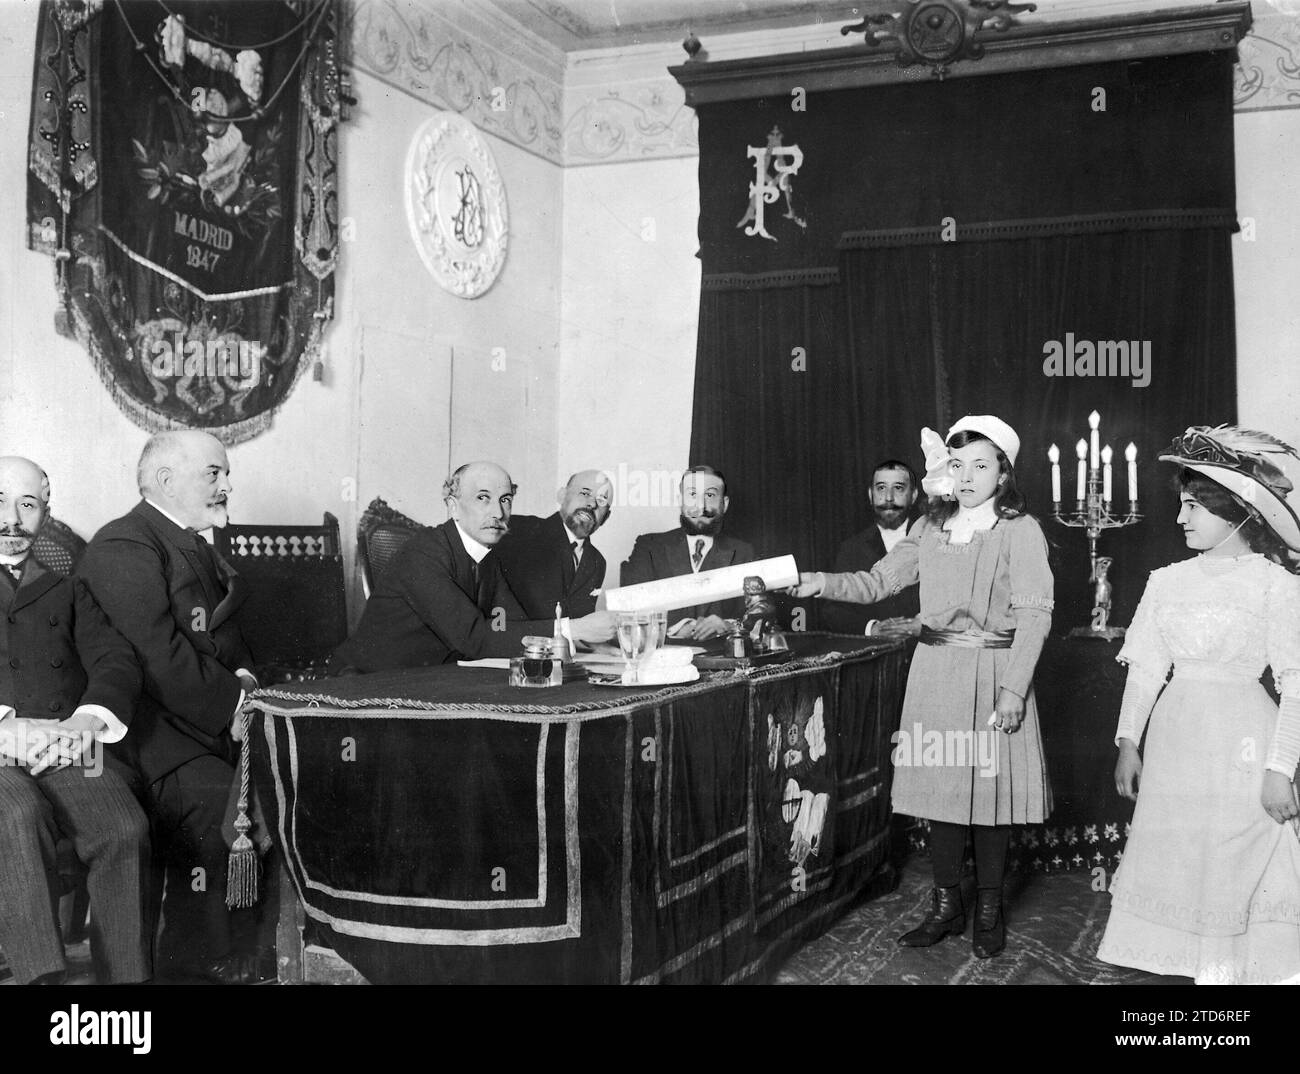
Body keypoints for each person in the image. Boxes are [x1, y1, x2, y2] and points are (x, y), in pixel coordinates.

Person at [790, 415, 1054, 958]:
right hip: (934, 672)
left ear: (1003, 474)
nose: (967, 476)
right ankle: (945, 906)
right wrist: (818, 583)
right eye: (957, 465)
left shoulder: (1020, 530)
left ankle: (988, 909)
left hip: (994, 673)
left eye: (981, 465)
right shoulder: (929, 528)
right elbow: (878, 581)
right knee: (942, 799)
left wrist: (1013, 691)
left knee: (990, 798)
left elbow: (1035, 616)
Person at [1097, 424, 1300, 984]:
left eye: (1194, 506)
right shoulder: (1165, 582)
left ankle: (1240, 971)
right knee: (1180, 854)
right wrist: (1127, 743)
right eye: (1181, 505)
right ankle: (1184, 966)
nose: (1181, 518)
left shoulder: (1276, 586)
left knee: (1242, 855)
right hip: (1176, 742)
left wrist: (1280, 771)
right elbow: (1143, 673)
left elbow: (1296, 685)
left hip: (1242, 742)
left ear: (1236, 511)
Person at [78, 431, 268, 984]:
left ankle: (235, 955)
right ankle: (196, 966)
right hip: (149, 741)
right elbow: (155, 656)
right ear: (165, 480)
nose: (227, 485)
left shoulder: (189, 541)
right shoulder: (124, 544)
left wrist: (248, 682)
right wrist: (234, 705)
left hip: (200, 726)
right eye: (214, 473)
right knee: (222, 808)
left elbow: (235, 641)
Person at [0, 456, 150, 985]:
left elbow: (114, 660)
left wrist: (85, 723)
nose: (12, 520)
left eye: (27, 504)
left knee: (123, 827)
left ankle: (126, 991)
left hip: (67, 743)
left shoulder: (66, 586)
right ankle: (44, 981)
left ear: (45, 513)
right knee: (18, 817)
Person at [330, 461, 614, 673]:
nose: (497, 512)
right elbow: (474, 638)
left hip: (434, 680)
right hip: (368, 683)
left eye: (505, 500)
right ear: (453, 506)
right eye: (483, 498)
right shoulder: (424, 552)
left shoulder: (487, 557)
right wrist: (572, 629)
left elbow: (509, 626)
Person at [620, 465, 755, 641]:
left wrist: (727, 625)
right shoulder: (649, 547)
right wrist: (680, 627)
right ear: (680, 500)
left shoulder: (744, 552)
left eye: (710, 495)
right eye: (692, 495)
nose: (700, 506)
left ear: (725, 503)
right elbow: (630, 609)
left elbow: (757, 615)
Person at [820, 459, 922, 635]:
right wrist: (871, 628)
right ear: (870, 495)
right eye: (881, 488)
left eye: (898, 488)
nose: (888, 497)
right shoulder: (851, 548)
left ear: (913, 495)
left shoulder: (930, 539)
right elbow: (833, 611)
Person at [493, 469, 612, 619]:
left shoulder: (597, 562)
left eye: (602, 500)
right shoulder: (517, 530)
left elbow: (581, 626)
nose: (592, 503)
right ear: (562, 496)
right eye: (585, 493)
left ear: (606, 516)